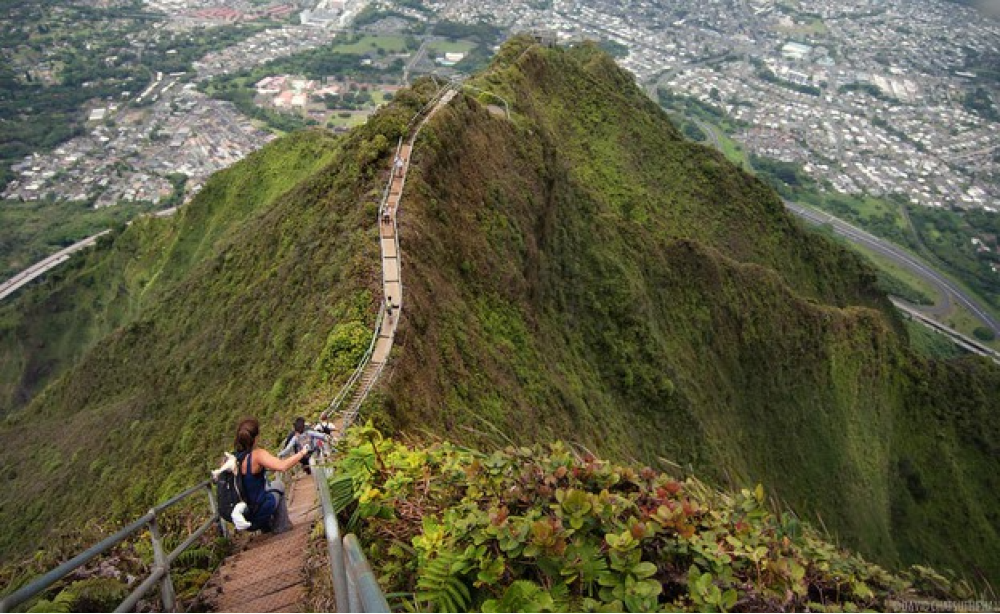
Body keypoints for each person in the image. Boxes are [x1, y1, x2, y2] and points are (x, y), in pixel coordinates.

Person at [233, 417, 310, 533]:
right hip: (257, 514)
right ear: (256, 437)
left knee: (265, 489)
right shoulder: (257, 455)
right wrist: (302, 453)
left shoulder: (232, 459)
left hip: (242, 517)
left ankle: (267, 527)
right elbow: (282, 466)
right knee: (278, 485)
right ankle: (282, 526)